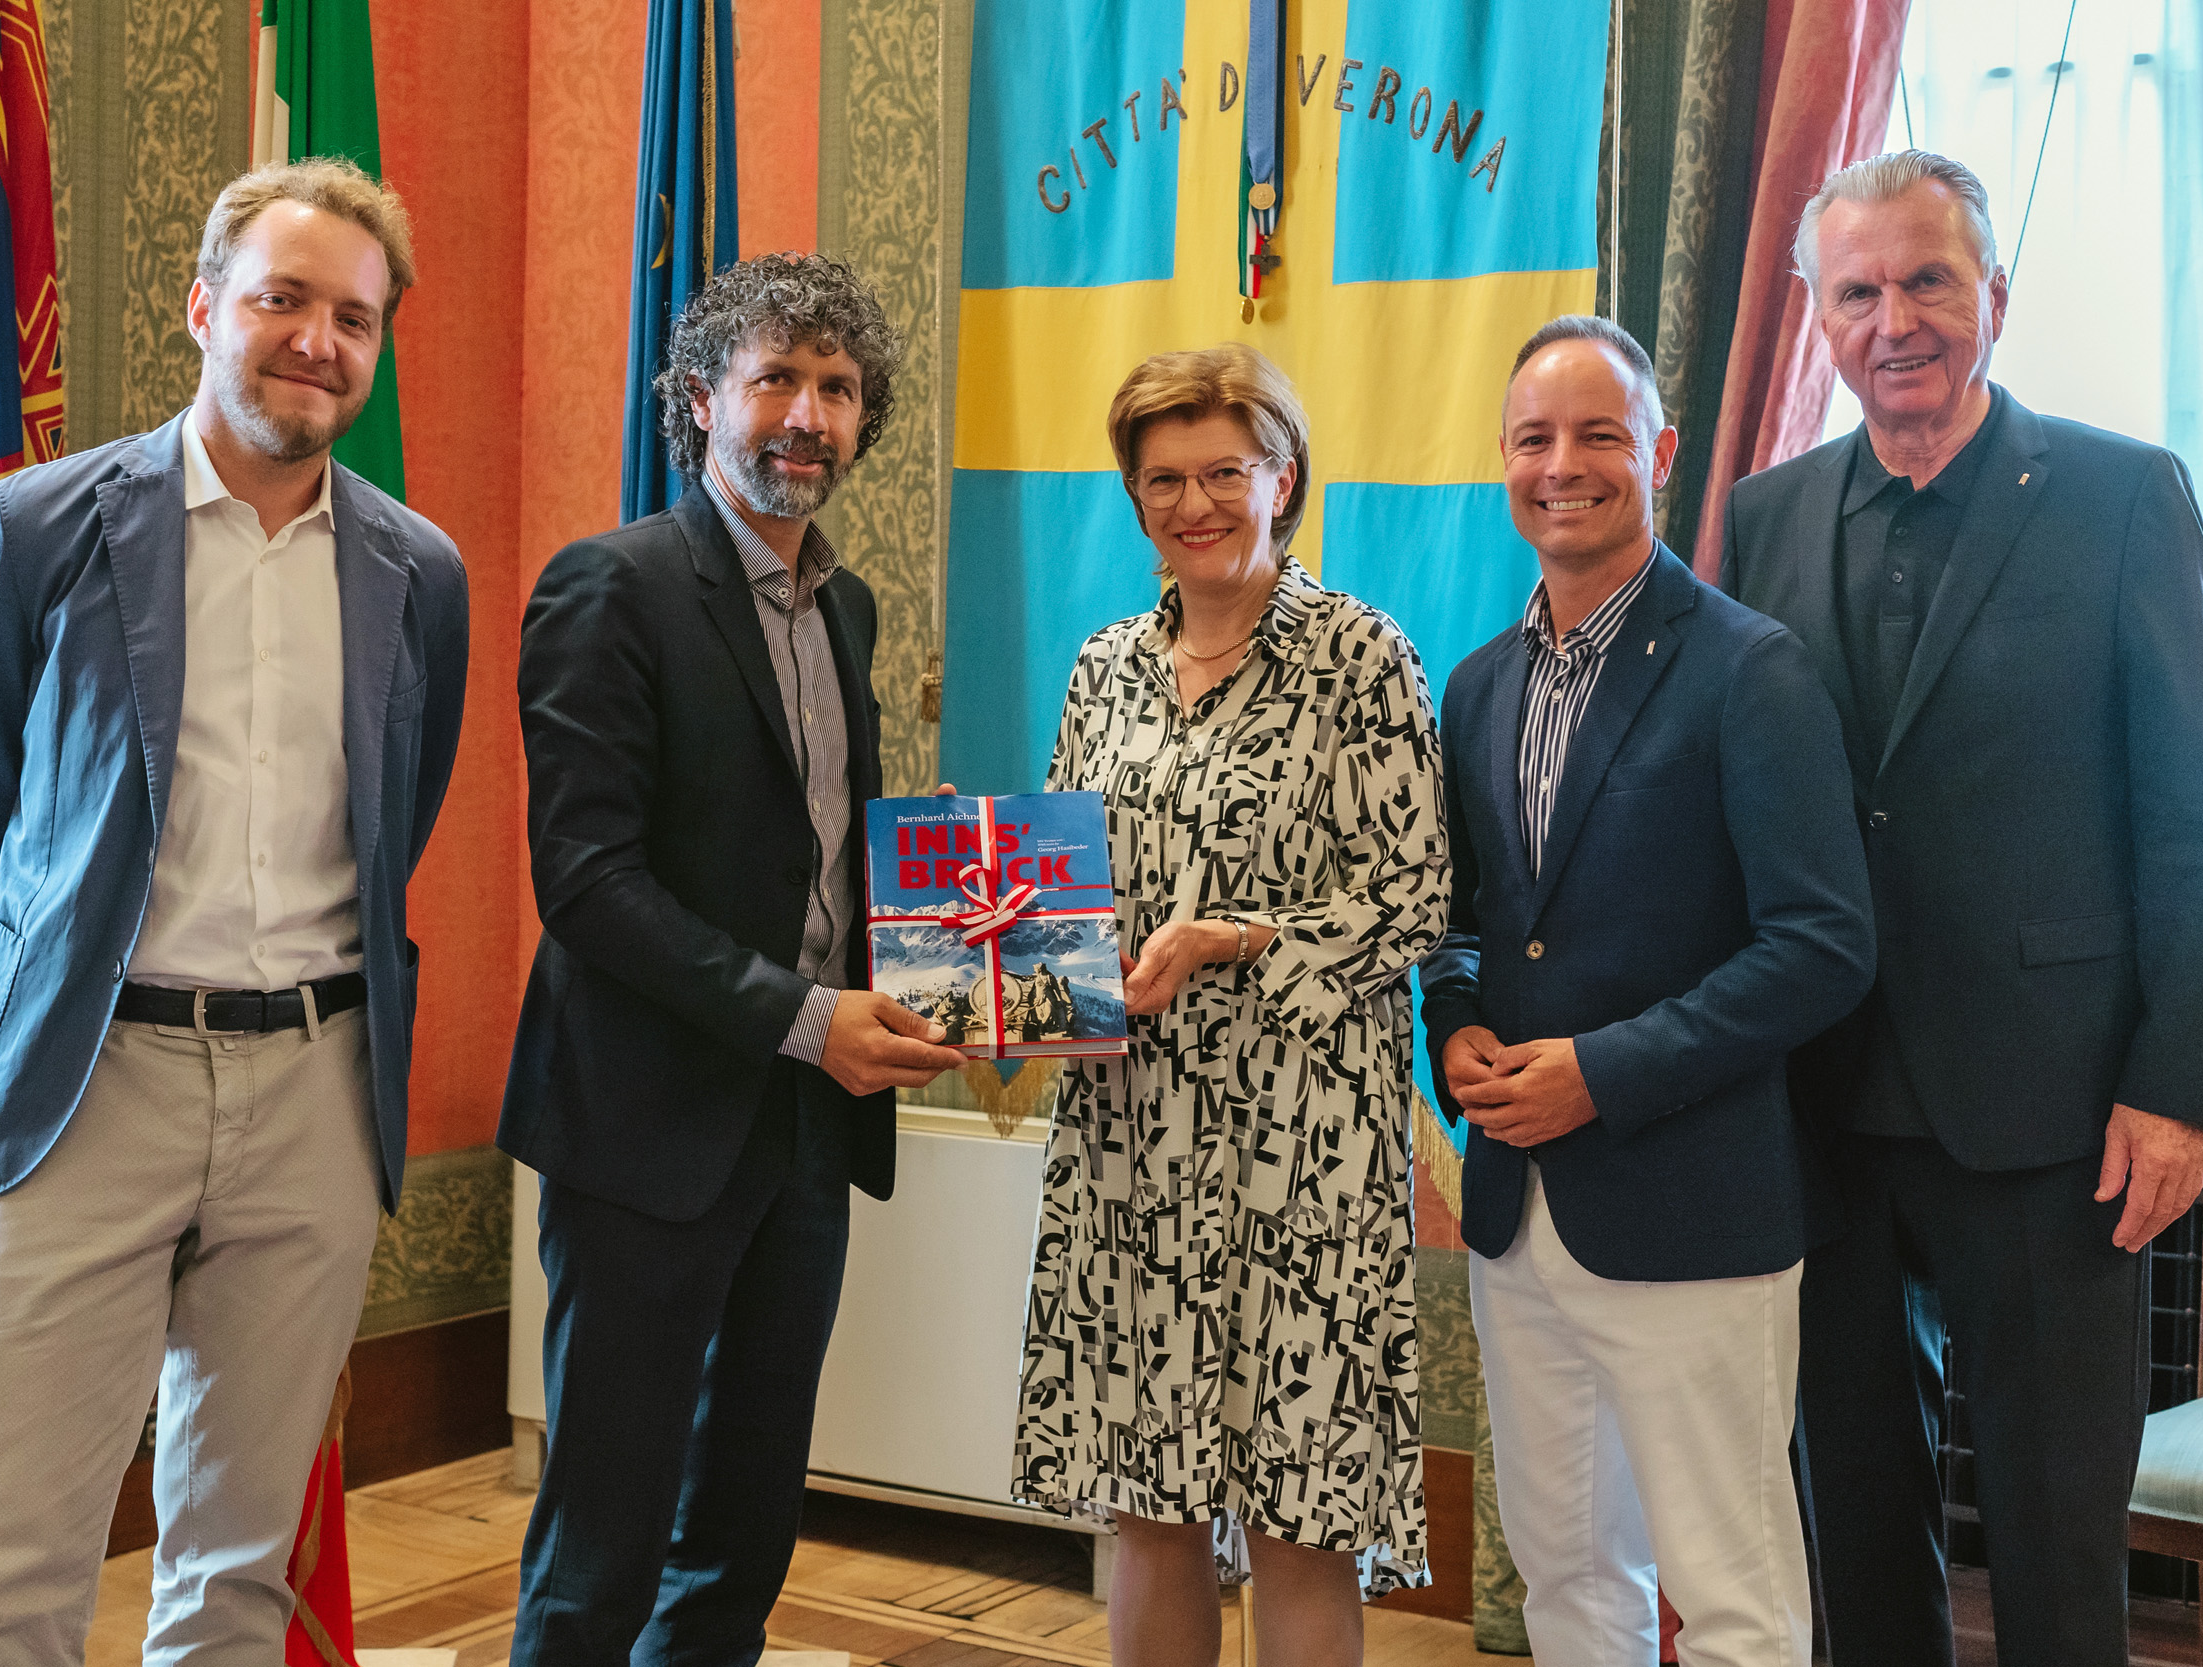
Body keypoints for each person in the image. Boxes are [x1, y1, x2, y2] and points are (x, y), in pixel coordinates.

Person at [0, 158, 467, 1663]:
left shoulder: (421, 574)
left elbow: (391, 823)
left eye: (352, 318)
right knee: (17, 1580)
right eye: (284, 299)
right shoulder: (33, 533)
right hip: (87, 1088)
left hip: (316, 1095)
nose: (316, 340)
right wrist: (80, 978)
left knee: (233, 1579)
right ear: (205, 306)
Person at [1717, 151, 2203, 1667]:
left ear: (1994, 298)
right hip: (1824, 1106)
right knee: (1858, 1529)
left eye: (1930, 280)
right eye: (1859, 290)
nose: (1898, 319)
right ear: (1816, 318)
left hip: (2056, 1115)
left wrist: (2173, 1091)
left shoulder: (2124, 494)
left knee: (2058, 1539)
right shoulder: (1764, 512)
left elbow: (2190, 820)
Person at [498, 252, 965, 1667]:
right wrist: (807, 1018)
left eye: (835, 386)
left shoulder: (849, 607)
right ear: (701, 398)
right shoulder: (611, 588)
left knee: (746, 1525)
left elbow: (817, 859)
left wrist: (974, 959)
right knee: (606, 1534)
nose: (807, 415)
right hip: (646, 1129)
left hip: (805, 1139)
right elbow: (587, 886)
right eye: (776, 378)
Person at [1421, 315, 1875, 1667]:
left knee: (1731, 1604)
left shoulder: (1752, 669)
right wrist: (1455, 1034)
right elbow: (1460, 926)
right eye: (1536, 439)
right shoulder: (1479, 683)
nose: (1565, 464)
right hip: (1515, 1213)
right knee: (1567, 1585)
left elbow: (1822, 943)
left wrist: (1602, 1074)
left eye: (1599, 434)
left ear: (1662, 453)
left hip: (1694, 1211)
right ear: (1504, 461)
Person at [1013, 343, 1449, 1667]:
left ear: (1283, 477)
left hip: (1304, 1149)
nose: (1194, 504)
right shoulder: (1102, 668)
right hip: (1130, 1135)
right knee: (1147, 1502)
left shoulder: (1362, 656)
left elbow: (1416, 893)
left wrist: (1232, 942)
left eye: (1225, 472)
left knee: (1299, 1515)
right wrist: (1003, 976)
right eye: (1163, 480)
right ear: (1133, 495)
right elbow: (1051, 894)